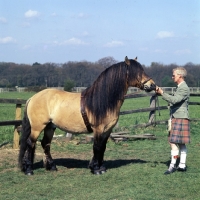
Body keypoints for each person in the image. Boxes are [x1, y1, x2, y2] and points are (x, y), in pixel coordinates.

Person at [156, 67, 190, 175]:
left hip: (180, 117)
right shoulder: (180, 87)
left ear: (180, 76)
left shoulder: (184, 88)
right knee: (180, 143)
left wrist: (162, 93)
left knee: (172, 142)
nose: (172, 77)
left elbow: (175, 100)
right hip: (178, 117)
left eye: (173, 75)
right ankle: (182, 165)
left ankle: (172, 165)